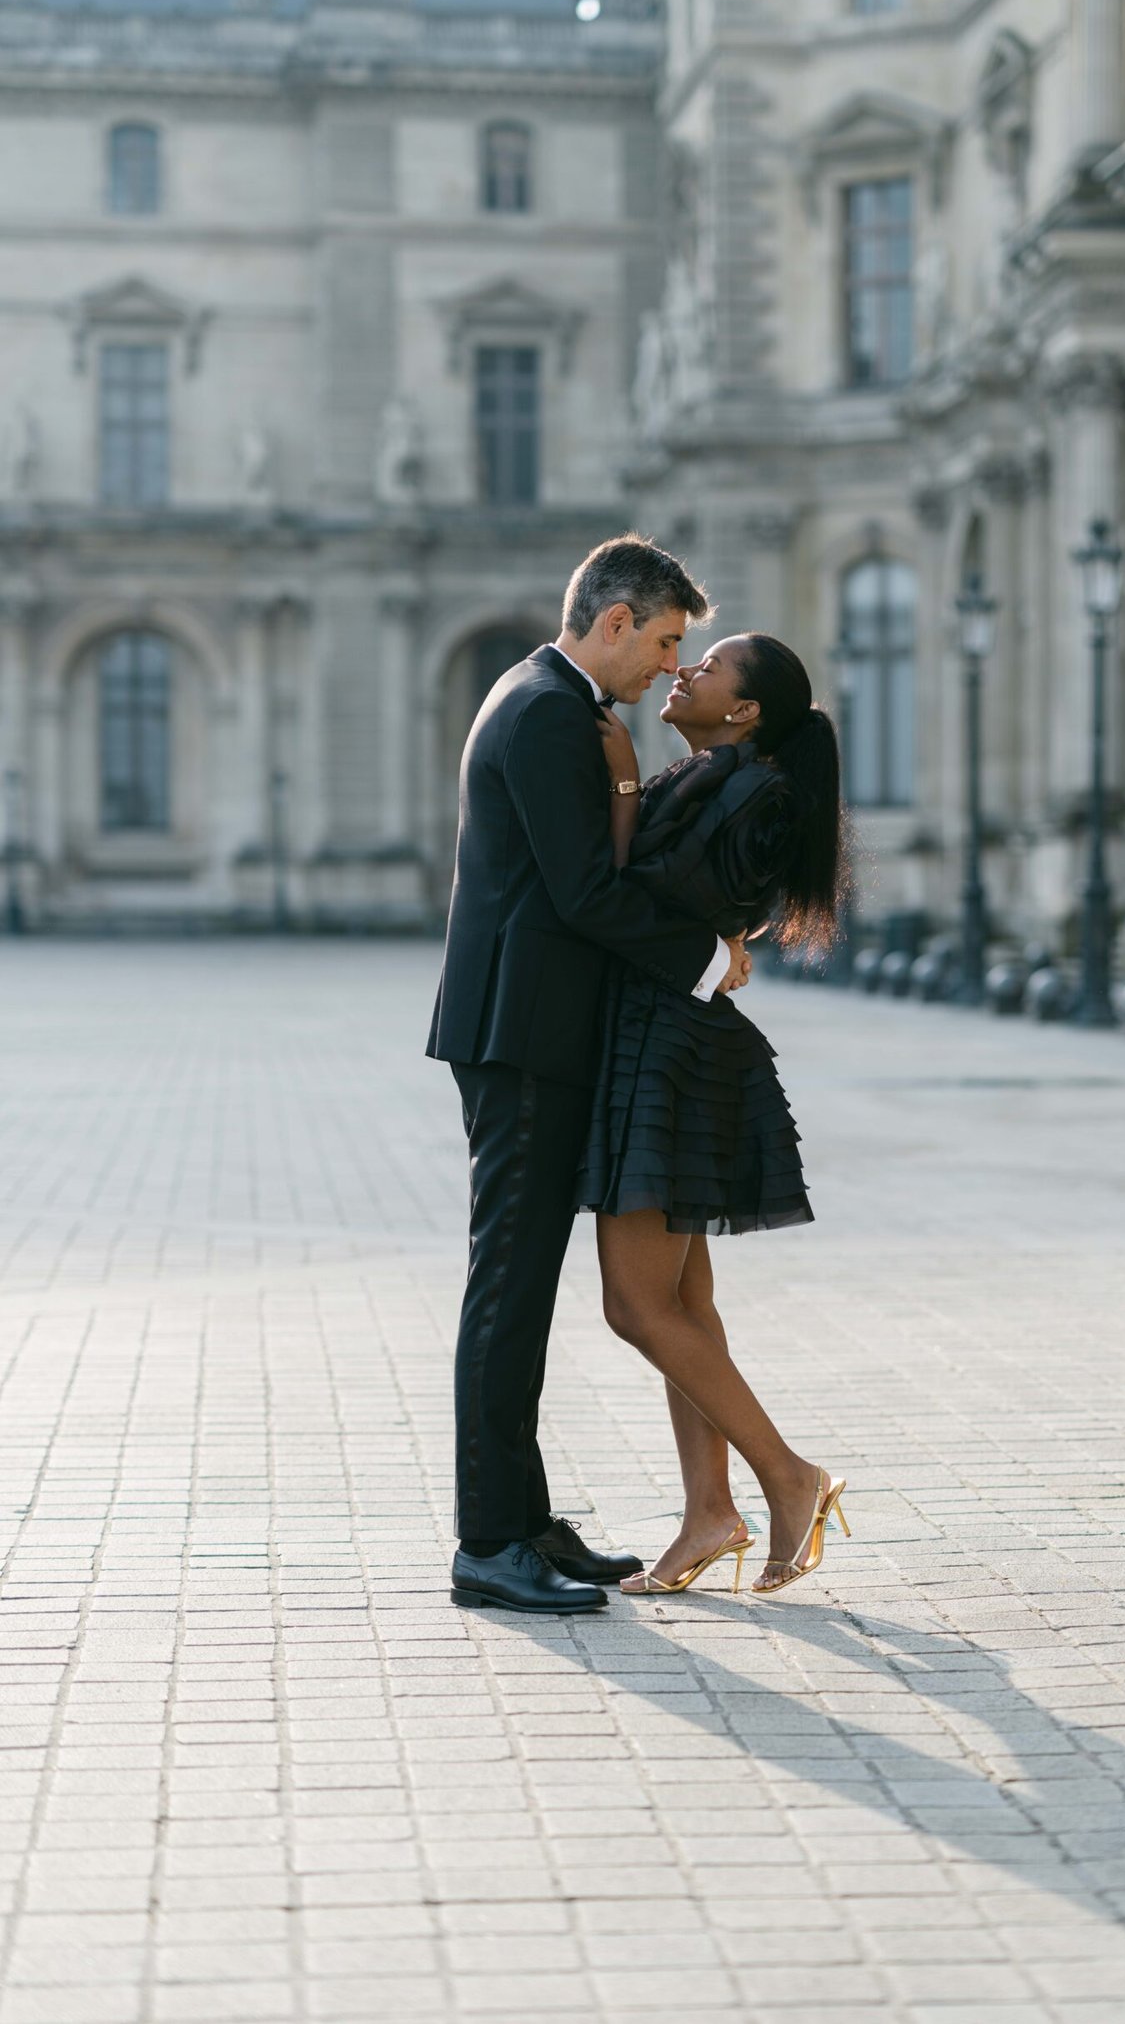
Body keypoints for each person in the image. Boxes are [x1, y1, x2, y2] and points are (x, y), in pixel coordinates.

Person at [426, 536, 751, 1616]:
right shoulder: (546, 714)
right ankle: (488, 1542)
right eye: (664, 641)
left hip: (531, 1030)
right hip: (523, 1036)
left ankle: (523, 1520)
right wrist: (707, 959)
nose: (672, 665)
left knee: (520, 1287)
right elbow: (580, 893)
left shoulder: (551, 702)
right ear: (615, 621)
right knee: (508, 1288)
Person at [576, 632, 851, 1597]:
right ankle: (708, 1512)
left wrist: (619, 780)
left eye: (712, 665)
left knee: (636, 1305)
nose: (686, 668)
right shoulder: (712, 779)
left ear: (745, 710)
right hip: (660, 1043)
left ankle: (789, 1475)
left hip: (671, 1054)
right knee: (684, 1306)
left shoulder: (750, 791)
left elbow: (637, 894)